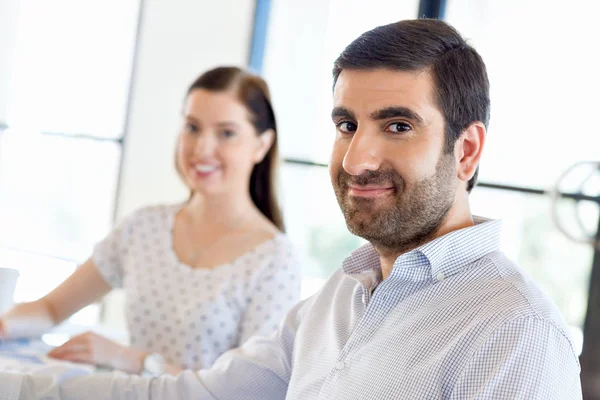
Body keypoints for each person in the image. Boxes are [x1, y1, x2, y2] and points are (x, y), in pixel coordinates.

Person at [0, 19, 582, 399]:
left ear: (468, 149)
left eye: (398, 126)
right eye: (346, 125)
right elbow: (195, 395)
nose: (357, 159)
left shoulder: (515, 334)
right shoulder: (337, 298)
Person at [0, 66, 302, 376]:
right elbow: (50, 309)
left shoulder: (275, 260)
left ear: (262, 145)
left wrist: (132, 360)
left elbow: (251, 389)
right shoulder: (143, 227)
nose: (202, 148)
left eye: (226, 133)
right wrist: (4, 325)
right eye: (192, 127)